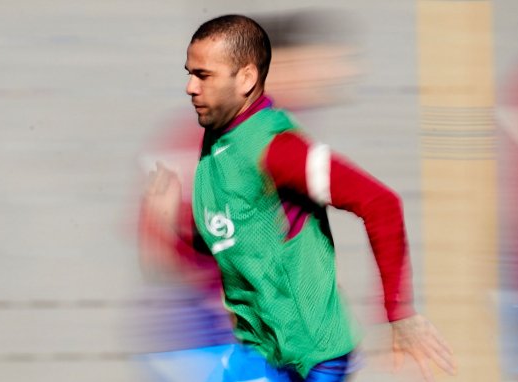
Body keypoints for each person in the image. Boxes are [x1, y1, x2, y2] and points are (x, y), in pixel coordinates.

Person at [143, 14, 457, 382]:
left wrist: (399, 312)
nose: (190, 87)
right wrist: (174, 231)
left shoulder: (279, 148)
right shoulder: (215, 149)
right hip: (261, 352)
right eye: (190, 73)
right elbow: (228, 244)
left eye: (203, 75)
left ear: (246, 78)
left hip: (310, 359)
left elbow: (380, 203)